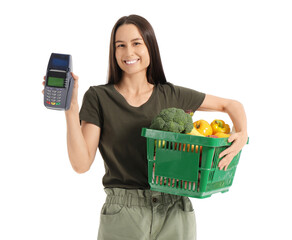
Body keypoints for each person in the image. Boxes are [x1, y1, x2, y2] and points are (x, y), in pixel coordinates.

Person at [42, 14, 248, 240]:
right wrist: (71, 109)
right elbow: (81, 164)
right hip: (123, 213)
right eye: (120, 46)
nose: (129, 52)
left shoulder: (171, 94)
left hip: (175, 209)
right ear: (114, 52)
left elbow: (231, 105)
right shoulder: (99, 97)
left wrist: (242, 134)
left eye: (136, 43)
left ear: (150, 46)